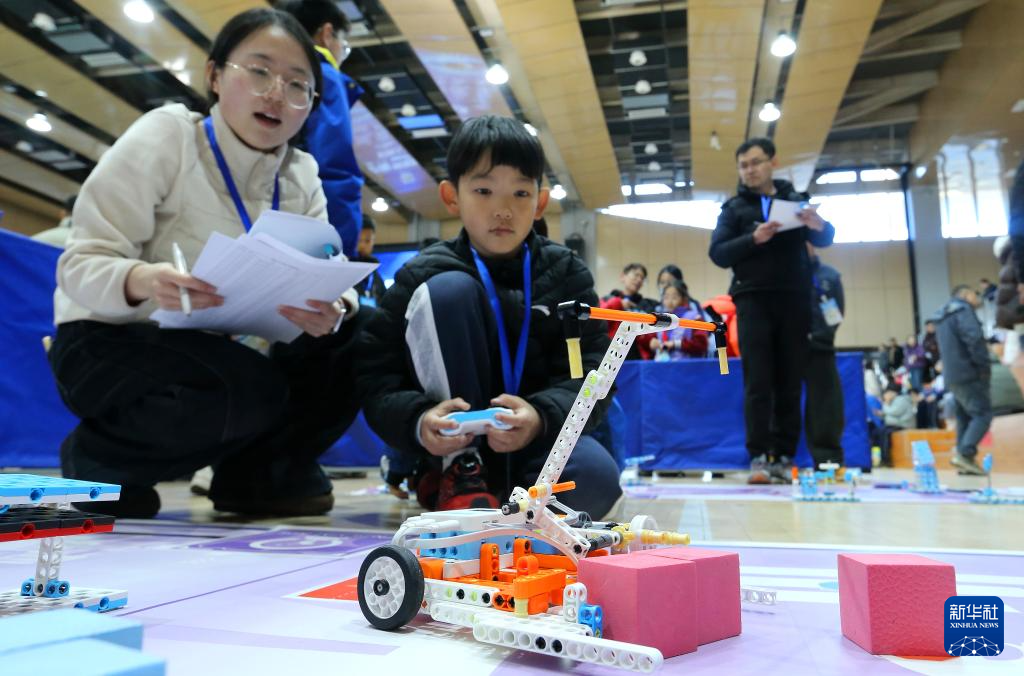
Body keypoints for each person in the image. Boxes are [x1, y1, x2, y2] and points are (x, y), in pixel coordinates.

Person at [48, 8, 366, 519]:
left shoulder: (301, 173)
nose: (276, 94)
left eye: (297, 85)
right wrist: (142, 279)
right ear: (215, 75)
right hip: (108, 340)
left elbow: (331, 264)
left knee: (357, 337)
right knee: (244, 385)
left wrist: (336, 306)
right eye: (259, 71)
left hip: (221, 345)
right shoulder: (169, 136)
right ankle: (100, 461)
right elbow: (79, 264)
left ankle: (257, 476)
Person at [355, 115, 622, 518]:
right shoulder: (421, 275)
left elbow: (593, 372)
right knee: (448, 291)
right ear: (452, 197)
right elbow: (376, 373)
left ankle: (502, 496)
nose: (503, 209)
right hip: (452, 444)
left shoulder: (567, 274)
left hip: (536, 441)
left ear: (540, 202)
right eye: (483, 190)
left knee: (595, 479)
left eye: (520, 193)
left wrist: (540, 417)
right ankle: (456, 472)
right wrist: (419, 420)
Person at [708, 137, 835, 484]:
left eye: (755, 162)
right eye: (743, 165)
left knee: (790, 380)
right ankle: (759, 457)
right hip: (752, 301)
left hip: (795, 299)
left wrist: (817, 224)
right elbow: (718, 253)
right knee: (758, 381)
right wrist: (753, 238)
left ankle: (785, 455)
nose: (750, 170)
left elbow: (826, 238)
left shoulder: (795, 200)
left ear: (772, 163)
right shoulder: (733, 209)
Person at [276, 0, 364, 257]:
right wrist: (341, 248)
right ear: (327, 34)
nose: (342, 54)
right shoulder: (324, 77)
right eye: (344, 46)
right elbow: (334, 167)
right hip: (308, 223)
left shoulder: (268, 76)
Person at [931, 285, 992, 475]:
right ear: (965, 294)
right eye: (975, 294)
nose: (977, 297)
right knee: (983, 414)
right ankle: (965, 454)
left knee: (964, 416)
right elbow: (974, 339)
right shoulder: (963, 310)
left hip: (952, 374)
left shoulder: (942, 317)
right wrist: (983, 365)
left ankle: (964, 460)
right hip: (969, 371)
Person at [803, 242, 844, 467]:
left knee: (825, 405)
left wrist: (821, 337)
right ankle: (778, 457)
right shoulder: (783, 274)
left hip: (821, 348)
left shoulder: (830, 276)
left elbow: (836, 314)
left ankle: (827, 459)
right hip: (788, 348)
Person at [636, 280, 708, 361]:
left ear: (684, 299)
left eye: (674, 297)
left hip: (687, 366)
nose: (669, 301)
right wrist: (651, 342)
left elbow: (701, 344)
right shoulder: (660, 318)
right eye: (666, 297)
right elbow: (647, 339)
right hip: (662, 365)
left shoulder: (695, 318)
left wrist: (675, 344)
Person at [352, 216, 386, 306]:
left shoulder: (375, 273)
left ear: (373, 241)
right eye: (358, 240)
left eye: (367, 241)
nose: (362, 245)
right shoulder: (345, 269)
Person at [879, 384, 914, 466]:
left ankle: (886, 459)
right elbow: (889, 413)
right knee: (881, 431)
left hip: (904, 425)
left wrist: (886, 403)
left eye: (888, 392)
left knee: (885, 433)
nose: (886, 395)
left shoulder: (901, 400)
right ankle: (884, 458)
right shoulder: (895, 400)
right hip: (896, 424)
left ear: (893, 392)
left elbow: (894, 412)